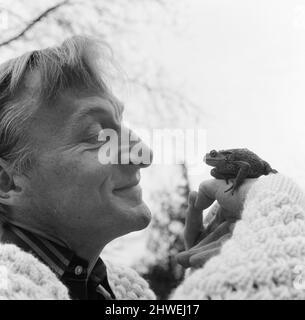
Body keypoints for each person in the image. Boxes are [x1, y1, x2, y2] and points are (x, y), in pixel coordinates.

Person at [0, 36, 305, 300]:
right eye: (97, 135)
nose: (144, 155)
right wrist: (280, 213)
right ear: (6, 182)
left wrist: (223, 267)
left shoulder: (117, 290)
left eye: (123, 128)